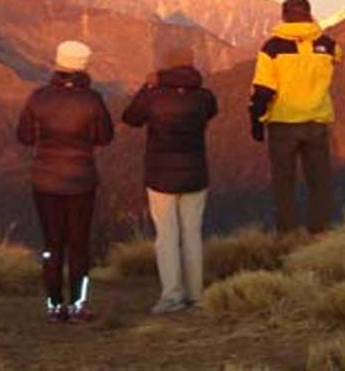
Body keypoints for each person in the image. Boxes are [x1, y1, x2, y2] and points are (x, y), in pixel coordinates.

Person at [16, 40, 114, 323]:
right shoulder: (92, 99)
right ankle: (78, 305)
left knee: (52, 244)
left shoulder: (38, 98)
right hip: (82, 180)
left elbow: (24, 136)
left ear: (58, 64)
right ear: (84, 66)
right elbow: (105, 137)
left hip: (45, 181)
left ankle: (54, 306)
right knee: (79, 244)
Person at [121, 46, 218, 314]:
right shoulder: (205, 97)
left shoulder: (153, 97)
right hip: (196, 173)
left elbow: (130, 117)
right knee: (192, 234)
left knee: (167, 236)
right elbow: (211, 113)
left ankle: (171, 295)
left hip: (160, 173)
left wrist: (148, 86)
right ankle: (196, 295)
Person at [249, 0, 343, 234]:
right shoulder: (328, 45)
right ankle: (320, 232)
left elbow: (263, 89)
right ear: (309, 14)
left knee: (284, 183)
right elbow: (338, 56)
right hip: (316, 120)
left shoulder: (271, 48)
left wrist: (256, 120)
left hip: (283, 122)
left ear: (284, 16)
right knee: (319, 181)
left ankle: (287, 235)